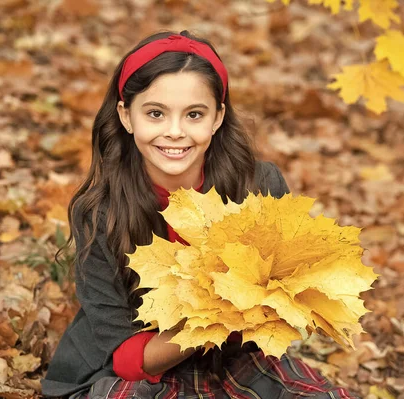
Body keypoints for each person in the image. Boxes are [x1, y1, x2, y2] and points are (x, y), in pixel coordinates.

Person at [41, 30, 359, 399]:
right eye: (156, 113)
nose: (175, 132)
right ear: (126, 116)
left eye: (194, 114)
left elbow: (282, 302)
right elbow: (128, 359)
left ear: (217, 117)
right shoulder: (101, 212)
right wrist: (216, 314)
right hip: (140, 374)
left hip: (234, 359)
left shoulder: (259, 184)